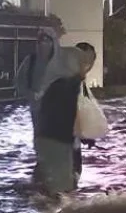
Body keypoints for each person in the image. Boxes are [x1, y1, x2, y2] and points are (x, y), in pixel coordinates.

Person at [34, 47, 87, 195]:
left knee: (46, 186)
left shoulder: (53, 84)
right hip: (62, 143)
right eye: (83, 63)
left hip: (44, 140)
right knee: (66, 189)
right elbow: (76, 114)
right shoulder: (74, 85)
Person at [16, 28, 59, 181]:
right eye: (41, 41)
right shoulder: (31, 61)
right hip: (38, 107)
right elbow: (19, 82)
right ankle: (42, 165)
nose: (44, 44)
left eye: (47, 41)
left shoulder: (60, 63)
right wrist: (31, 94)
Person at [72, 42, 98, 185]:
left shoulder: (79, 81)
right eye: (87, 60)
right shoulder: (72, 81)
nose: (90, 64)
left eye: (92, 60)